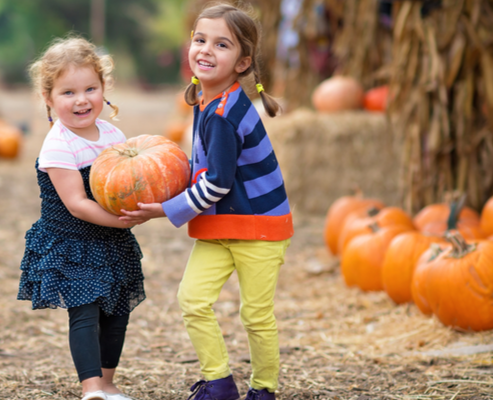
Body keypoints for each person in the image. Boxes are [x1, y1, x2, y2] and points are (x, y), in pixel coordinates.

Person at [120, 4, 293, 400]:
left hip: (260, 228)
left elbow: (217, 181)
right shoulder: (208, 102)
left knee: (255, 314)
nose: (206, 50)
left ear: (243, 62)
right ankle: (218, 383)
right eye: (200, 40)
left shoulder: (223, 114)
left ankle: (263, 388)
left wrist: (165, 208)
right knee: (192, 299)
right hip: (223, 226)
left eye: (222, 44)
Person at [17, 36, 145, 400]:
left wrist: (142, 203)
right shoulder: (59, 145)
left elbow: (128, 180)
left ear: (104, 89)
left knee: (117, 313)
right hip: (72, 241)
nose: (82, 99)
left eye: (91, 88)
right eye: (68, 92)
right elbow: (76, 203)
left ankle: (107, 382)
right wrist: (120, 220)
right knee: (86, 314)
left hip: (111, 240)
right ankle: (91, 388)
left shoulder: (113, 135)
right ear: (48, 98)